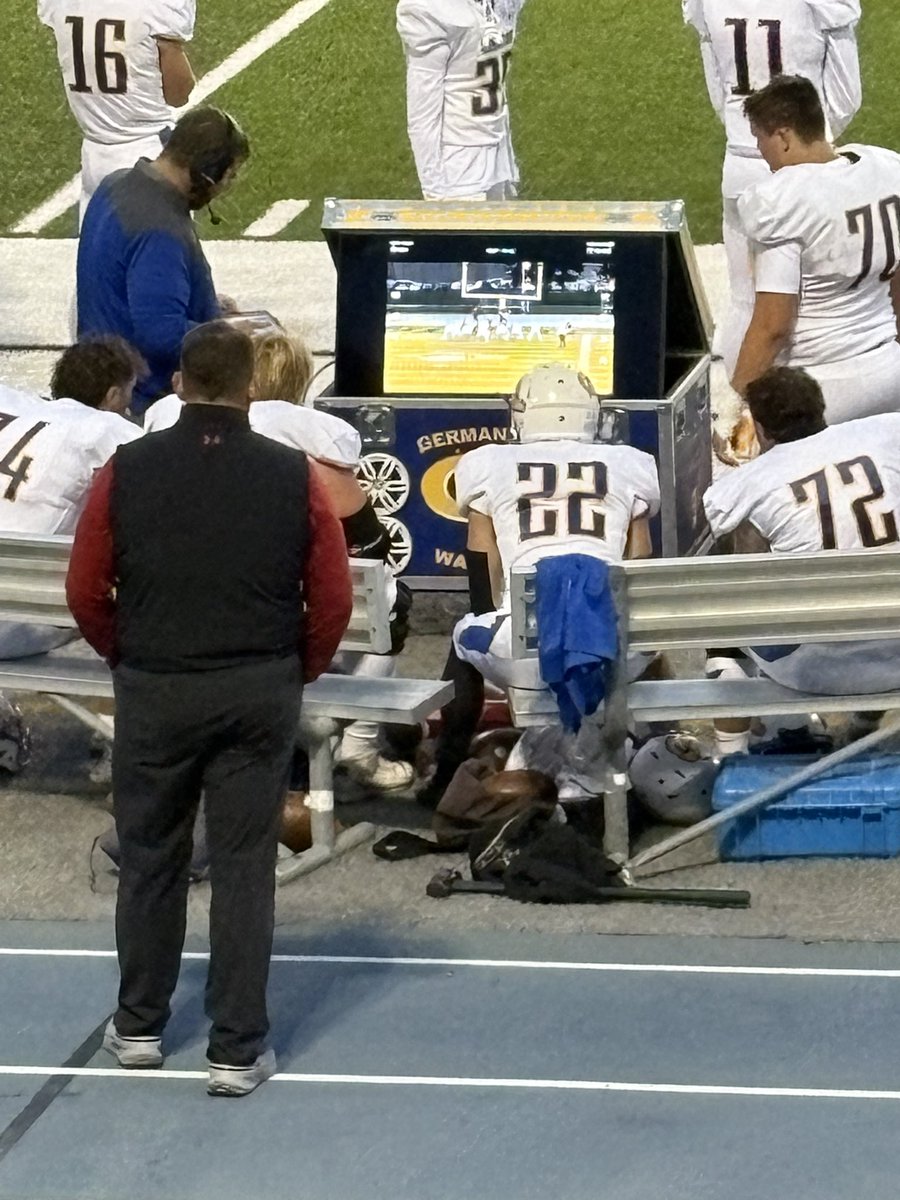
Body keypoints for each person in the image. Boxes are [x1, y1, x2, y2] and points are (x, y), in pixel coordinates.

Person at [66, 321, 352, 1097]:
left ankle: (138, 1025)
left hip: (157, 684)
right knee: (242, 868)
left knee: (150, 857)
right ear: (251, 387)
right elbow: (331, 596)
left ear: (180, 383)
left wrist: (128, 654)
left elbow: (86, 587)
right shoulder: (292, 475)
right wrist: (296, 668)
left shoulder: (126, 470)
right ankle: (235, 1045)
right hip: (256, 687)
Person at [145, 331, 416, 790]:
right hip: (270, 612)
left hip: (177, 613)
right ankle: (357, 739)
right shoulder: (309, 441)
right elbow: (371, 547)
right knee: (386, 603)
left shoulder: (166, 429)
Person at [421, 363, 660, 807]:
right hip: (607, 648)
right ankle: (658, 746)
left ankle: (446, 765)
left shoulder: (488, 463)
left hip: (525, 646)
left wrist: (488, 614)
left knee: (464, 639)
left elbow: (481, 555)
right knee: (639, 627)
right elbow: (639, 562)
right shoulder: (630, 463)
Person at [703, 365, 900, 752]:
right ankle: (863, 725)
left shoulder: (748, 484)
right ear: (821, 410)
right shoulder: (887, 433)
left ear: (759, 427)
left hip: (816, 668)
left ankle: (732, 753)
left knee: (724, 607)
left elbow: (746, 581)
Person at [682, 1, 861, 373]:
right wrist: (813, 143)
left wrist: (748, 134)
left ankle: (740, 407)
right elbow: (846, 98)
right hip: (805, 164)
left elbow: (717, 87)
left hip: (740, 161)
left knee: (744, 301)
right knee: (812, 301)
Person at [730, 75, 900, 422]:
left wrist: (736, 404)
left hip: (816, 391)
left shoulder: (783, 200)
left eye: (760, 139)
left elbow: (773, 325)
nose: (761, 153)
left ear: (783, 136)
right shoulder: (886, 169)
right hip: (889, 372)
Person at [77, 106, 249, 415]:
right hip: (143, 404)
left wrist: (207, 307)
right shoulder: (159, 230)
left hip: (101, 383)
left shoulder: (114, 184)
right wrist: (229, 336)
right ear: (205, 172)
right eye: (229, 175)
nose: (226, 187)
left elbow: (129, 290)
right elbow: (161, 333)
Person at [38, 0, 196, 224]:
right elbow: (179, 93)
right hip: (147, 157)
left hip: (94, 156)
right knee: (157, 255)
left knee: (97, 255)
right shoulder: (155, 7)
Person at [397, 0, 526, 201]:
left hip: (498, 153)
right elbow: (422, 114)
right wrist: (435, 188)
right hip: (458, 166)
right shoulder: (429, 9)